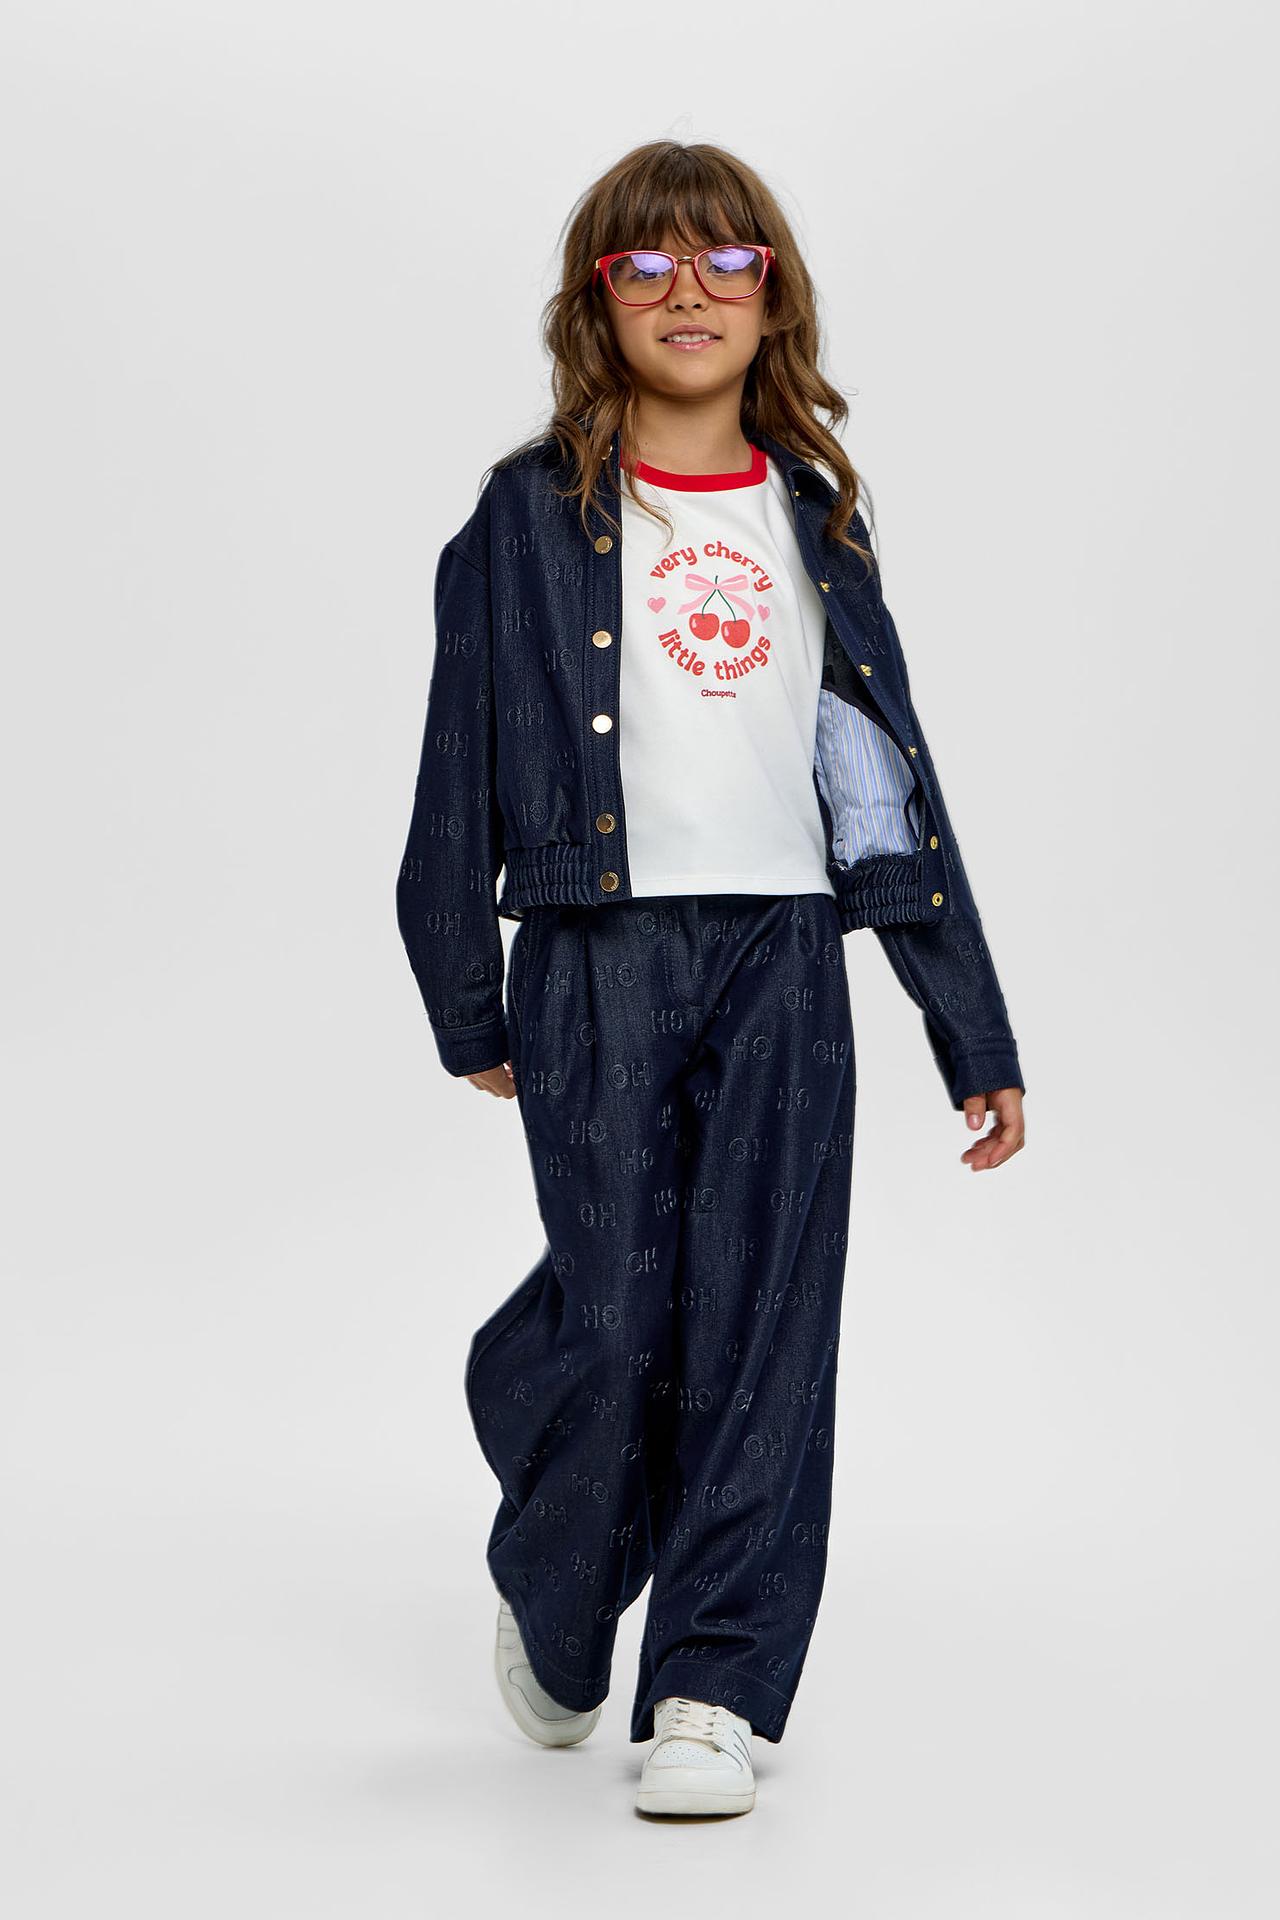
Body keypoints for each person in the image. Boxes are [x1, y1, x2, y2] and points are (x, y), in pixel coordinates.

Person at [395, 139, 1026, 1819]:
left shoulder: (815, 519)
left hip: (783, 960)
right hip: (594, 953)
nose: (690, 290)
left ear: (773, 295)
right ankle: (558, 1575)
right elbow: (456, 764)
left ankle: (712, 1690)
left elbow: (885, 781)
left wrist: (964, 1018)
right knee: (613, 1318)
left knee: (765, 1327)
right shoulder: (524, 517)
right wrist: (464, 986)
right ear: (596, 301)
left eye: (727, 260)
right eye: (647, 265)